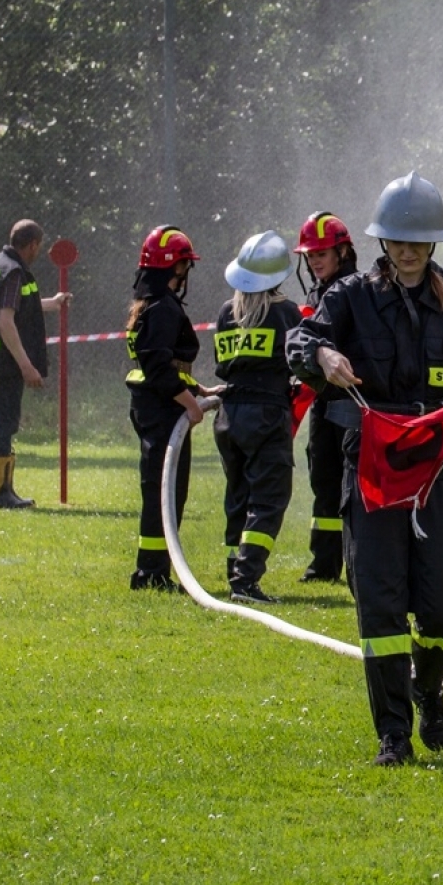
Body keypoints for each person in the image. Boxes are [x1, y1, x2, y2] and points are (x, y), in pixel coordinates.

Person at [289, 171, 443, 767]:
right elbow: (302, 338)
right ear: (382, 240)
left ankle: (430, 684)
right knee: (380, 600)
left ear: (434, 242)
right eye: (398, 240)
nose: (408, 250)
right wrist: (324, 354)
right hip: (371, 469)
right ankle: (393, 734)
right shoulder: (350, 296)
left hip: (438, 470)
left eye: (419, 241)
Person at [213, 230, 304, 605]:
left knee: (238, 497)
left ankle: (234, 572)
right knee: (269, 498)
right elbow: (300, 361)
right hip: (266, 414)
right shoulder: (286, 312)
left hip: (228, 416)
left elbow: (224, 365)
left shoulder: (226, 312)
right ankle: (246, 580)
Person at [125, 225, 215, 593]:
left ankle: (155, 570)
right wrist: (191, 404)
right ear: (175, 267)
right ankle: (151, 573)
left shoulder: (152, 305)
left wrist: (198, 388)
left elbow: (166, 364)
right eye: (184, 265)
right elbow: (158, 366)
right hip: (162, 411)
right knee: (163, 493)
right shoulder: (163, 308)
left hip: (155, 406)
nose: (186, 272)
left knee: (164, 491)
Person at [0, 219, 72, 508]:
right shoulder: (14, 273)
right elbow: (5, 322)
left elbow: (13, 305)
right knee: (3, 422)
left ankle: (0, 490)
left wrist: (52, 303)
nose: (39, 251)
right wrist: (26, 366)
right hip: (4, 362)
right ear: (32, 245)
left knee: (1, 421)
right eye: (39, 246)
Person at [293, 211, 358, 587]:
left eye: (322, 254)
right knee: (323, 477)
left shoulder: (357, 290)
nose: (315, 261)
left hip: (353, 400)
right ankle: (324, 564)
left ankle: (358, 560)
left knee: (352, 481)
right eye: (310, 255)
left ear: (342, 252)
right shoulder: (315, 293)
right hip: (323, 400)